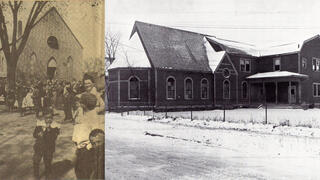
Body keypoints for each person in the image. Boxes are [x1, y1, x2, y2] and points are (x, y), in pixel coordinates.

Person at [33, 112, 60, 180]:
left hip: (49, 148)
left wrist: (48, 130)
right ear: (44, 119)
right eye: (46, 118)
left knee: (47, 162)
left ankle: (48, 176)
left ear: (52, 119)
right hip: (39, 147)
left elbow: (54, 137)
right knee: (36, 161)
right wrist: (38, 134)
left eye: (50, 118)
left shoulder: (55, 127)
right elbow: (34, 134)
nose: (48, 120)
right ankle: (36, 176)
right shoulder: (39, 126)